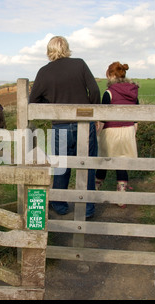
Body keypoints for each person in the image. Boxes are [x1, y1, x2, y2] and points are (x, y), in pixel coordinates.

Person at [29, 36, 100, 218]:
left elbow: (33, 102)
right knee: (88, 165)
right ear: (67, 48)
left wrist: (51, 103)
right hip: (85, 123)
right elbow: (94, 91)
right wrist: (96, 115)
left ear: (49, 50)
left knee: (61, 166)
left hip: (60, 126)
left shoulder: (44, 72)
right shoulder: (80, 64)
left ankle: (60, 204)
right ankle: (88, 208)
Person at [95, 62, 139, 208]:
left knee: (103, 161)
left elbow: (103, 117)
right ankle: (121, 197)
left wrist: (97, 133)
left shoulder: (109, 92)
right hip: (128, 130)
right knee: (122, 163)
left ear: (112, 75)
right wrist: (133, 130)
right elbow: (136, 115)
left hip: (111, 131)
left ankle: (94, 193)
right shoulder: (133, 91)